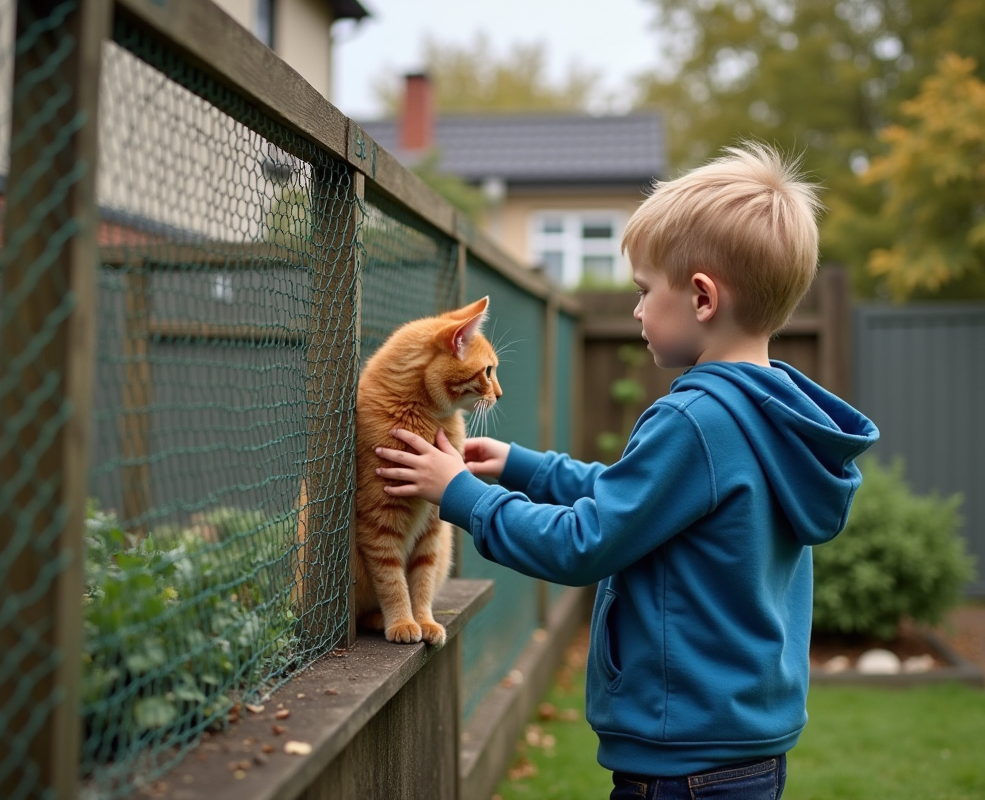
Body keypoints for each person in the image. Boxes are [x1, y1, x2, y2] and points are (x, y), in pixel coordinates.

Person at [374, 141, 879, 800]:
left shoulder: (697, 421)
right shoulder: (769, 415)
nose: (637, 310)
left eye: (644, 291)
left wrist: (461, 497)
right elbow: (642, 503)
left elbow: (587, 542)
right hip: (743, 751)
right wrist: (523, 467)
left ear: (701, 297)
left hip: (681, 767)